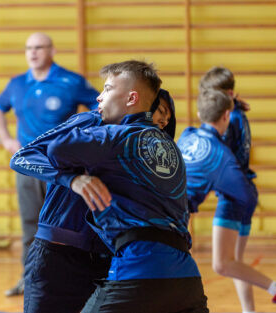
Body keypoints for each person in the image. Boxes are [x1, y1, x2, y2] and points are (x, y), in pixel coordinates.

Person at [39, 60, 208, 313]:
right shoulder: (172, 149)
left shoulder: (116, 136)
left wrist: (78, 173)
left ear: (131, 98)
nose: (99, 96)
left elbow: (56, 148)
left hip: (137, 273)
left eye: (107, 89)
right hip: (187, 279)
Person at [9, 88, 177, 313]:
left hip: (109, 260)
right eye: (162, 110)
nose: (165, 119)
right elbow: (22, 157)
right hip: (58, 256)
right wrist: (72, 180)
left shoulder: (147, 156)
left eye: (169, 117)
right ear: (140, 104)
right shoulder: (91, 121)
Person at [0, 32, 99, 296]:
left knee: (68, 225)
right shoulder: (17, 84)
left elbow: (100, 108)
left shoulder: (70, 81)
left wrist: (83, 141)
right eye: (28, 48)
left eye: (39, 47)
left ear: (52, 50)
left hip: (63, 169)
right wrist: (6, 139)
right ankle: (30, 279)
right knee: (30, 224)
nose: (33, 52)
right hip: (28, 167)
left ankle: (73, 280)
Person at [177, 88, 276, 313]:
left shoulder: (186, 134)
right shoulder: (222, 156)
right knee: (223, 265)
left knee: (225, 264)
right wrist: (216, 184)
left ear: (198, 114)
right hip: (174, 219)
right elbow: (244, 194)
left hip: (157, 211)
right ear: (226, 116)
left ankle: (269, 298)